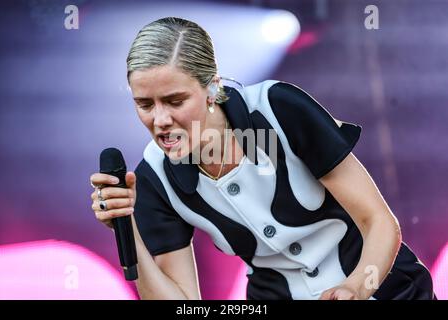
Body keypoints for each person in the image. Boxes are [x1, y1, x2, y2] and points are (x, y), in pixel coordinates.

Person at [89, 17, 435, 300]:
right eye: (145, 105)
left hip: (388, 291)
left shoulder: (278, 108)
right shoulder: (154, 177)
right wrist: (128, 227)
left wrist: (355, 289)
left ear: (212, 87)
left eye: (175, 100)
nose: (160, 120)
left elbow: (378, 220)